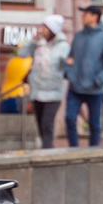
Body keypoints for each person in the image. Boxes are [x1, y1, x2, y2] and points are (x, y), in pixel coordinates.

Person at [64, 5, 103, 148]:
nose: (82, 16)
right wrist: (69, 73)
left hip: (95, 89)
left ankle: (93, 152)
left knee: (94, 124)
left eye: (86, 14)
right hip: (75, 87)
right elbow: (70, 57)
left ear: (94, 17)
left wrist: (98, 80)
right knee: (69, 118)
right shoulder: (78, 36)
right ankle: (73, 150)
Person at [26, 15, 69, 148]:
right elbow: (22, 54)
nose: (41, 29)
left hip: (53, 91)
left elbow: (65, 66)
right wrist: (32, 42)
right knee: (40, 123)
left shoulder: (63, 46)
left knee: (47, 122)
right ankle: (47, 147)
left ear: (52, 29)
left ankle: (47, 150)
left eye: (44, 27)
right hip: (37, 90)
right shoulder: (39, 44)